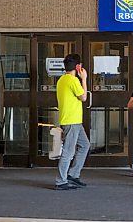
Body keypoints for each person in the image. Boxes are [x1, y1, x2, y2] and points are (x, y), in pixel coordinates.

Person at [54, 54, 89, 190]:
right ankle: (60, 181)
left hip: (73, 120)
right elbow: (84, 97)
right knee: (68, 152)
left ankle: (73, 175)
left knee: (84, 145)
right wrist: (84, 79)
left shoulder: (61, 80)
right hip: (72, 121)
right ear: (78, 67)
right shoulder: (73, 80)